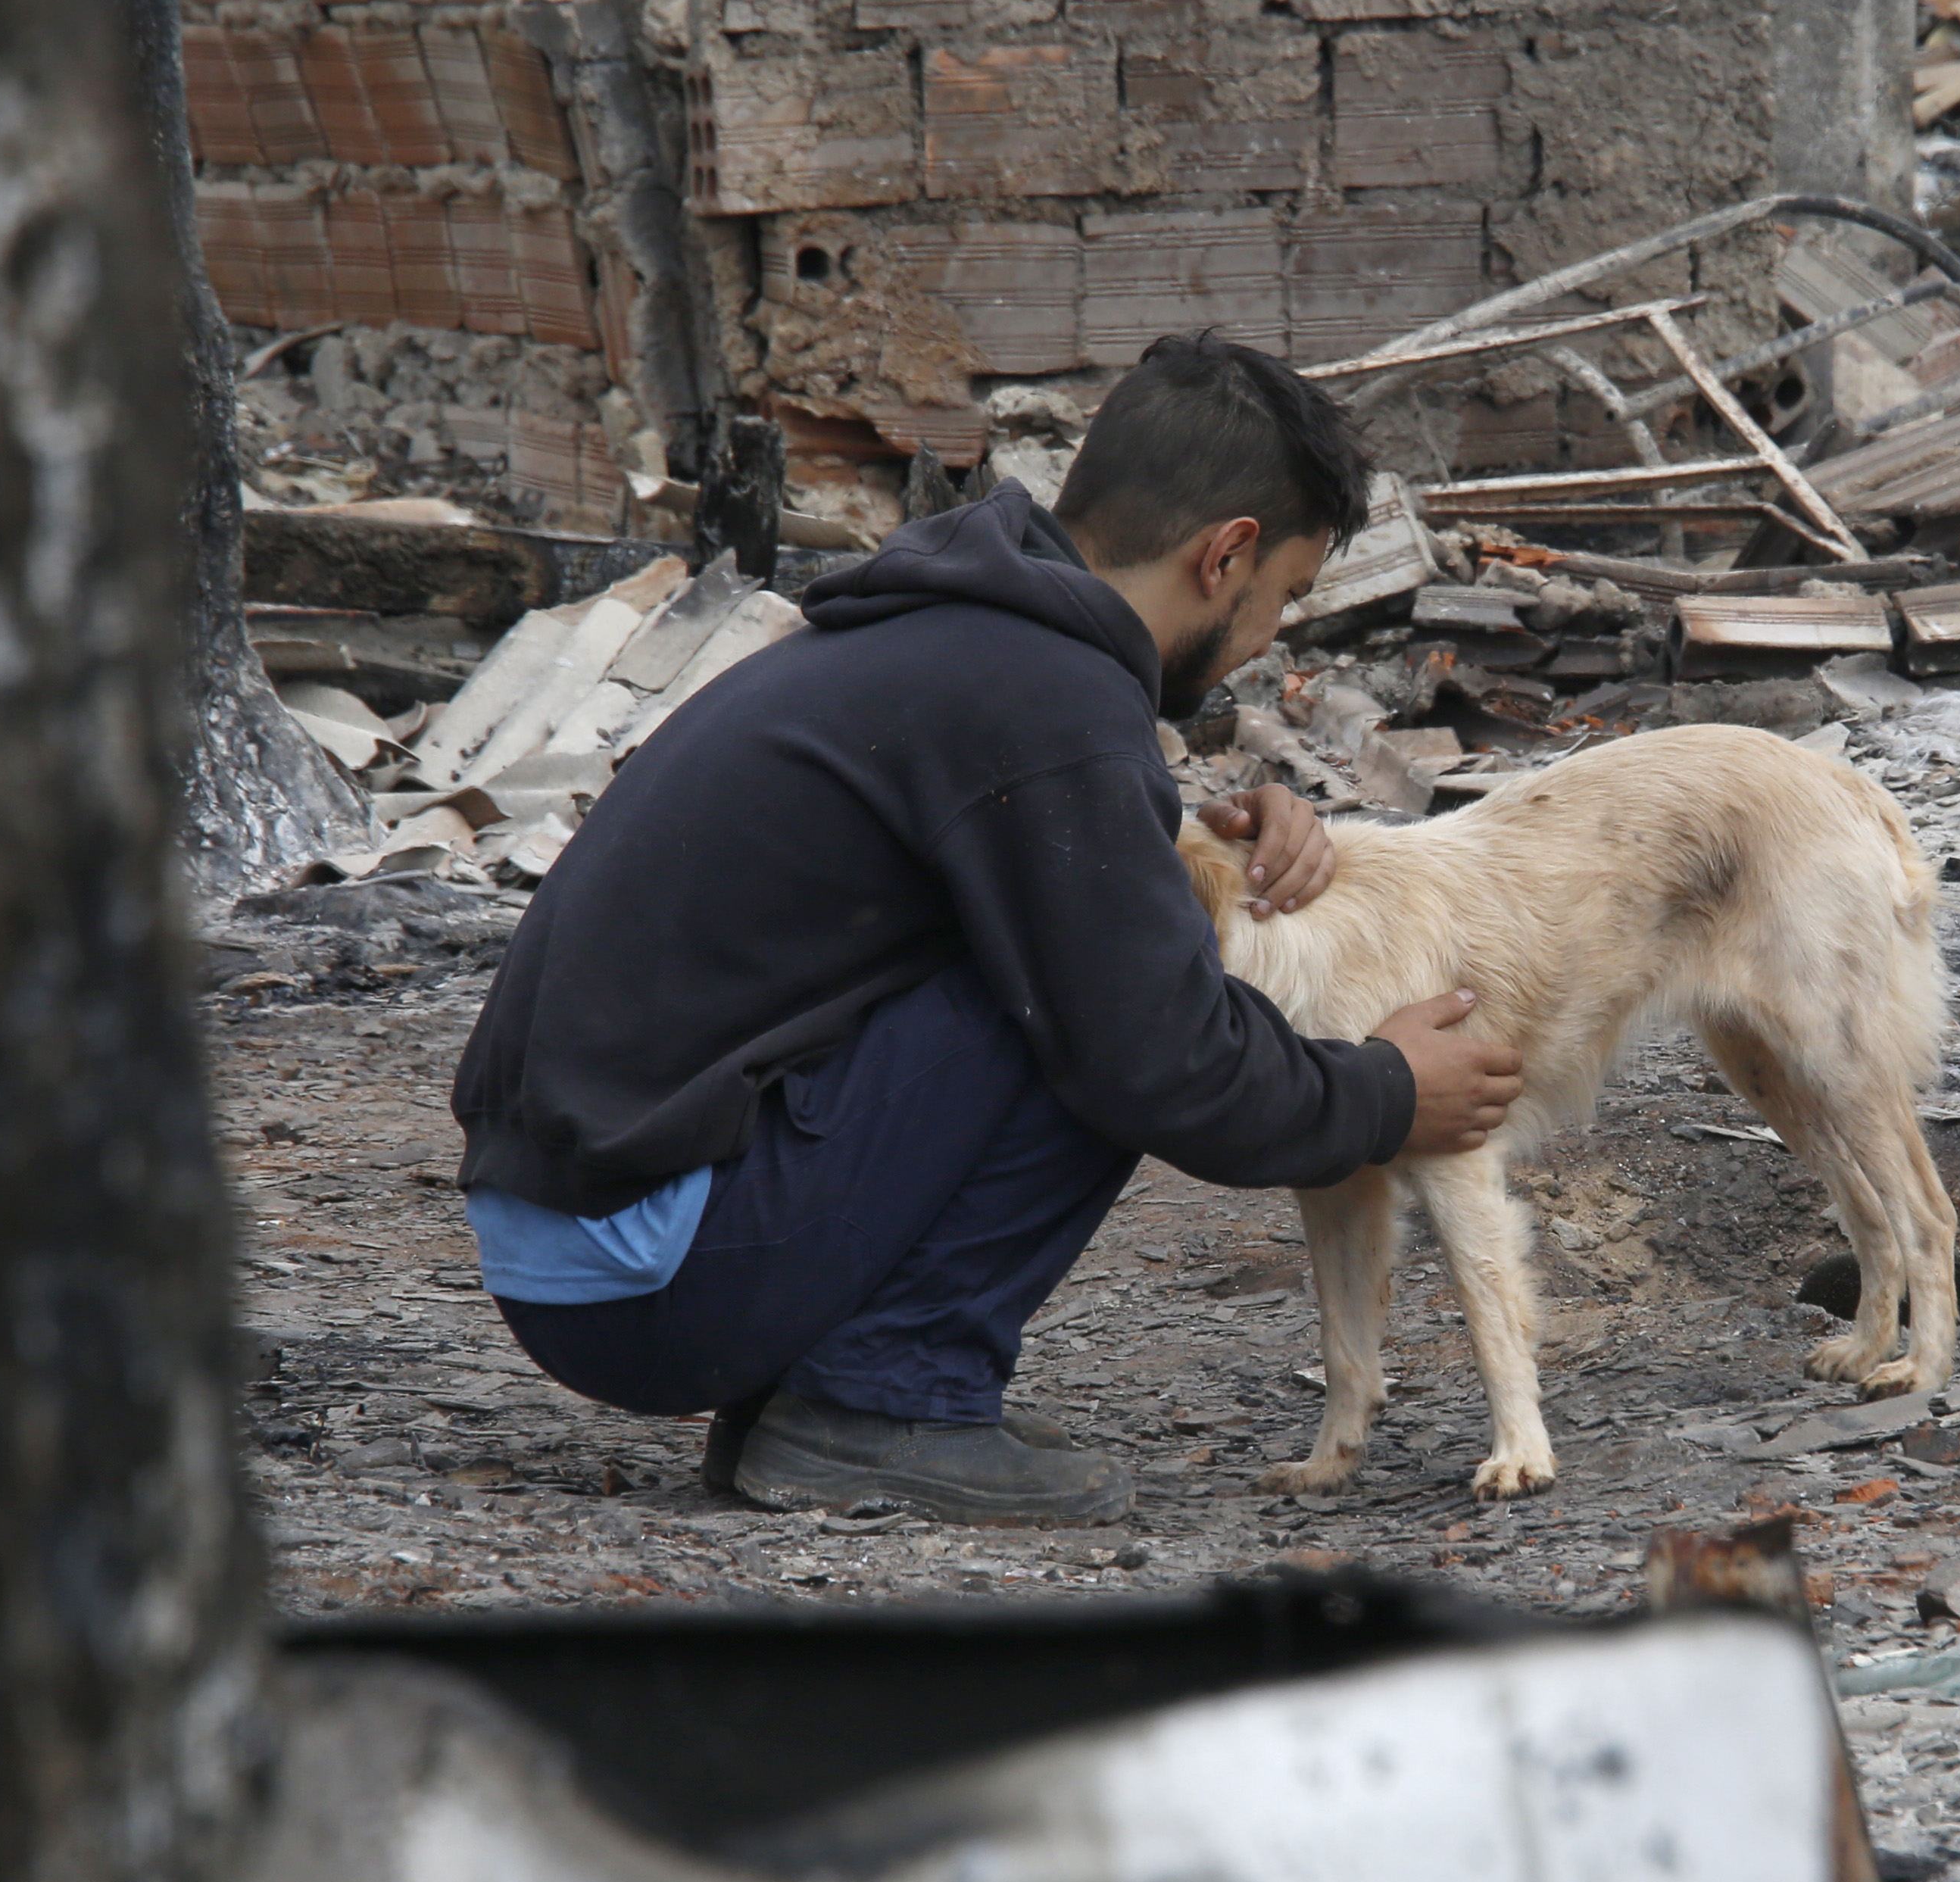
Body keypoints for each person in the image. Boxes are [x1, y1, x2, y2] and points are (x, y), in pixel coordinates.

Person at [449, 332, 1525, 1523]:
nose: (1272, 635)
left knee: (1097, 942)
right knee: (1109, 998)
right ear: (1225, 555)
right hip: (648, 1279)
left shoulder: (955, 639)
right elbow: (1165, 1061)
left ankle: (838, 1389)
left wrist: (1211, 833)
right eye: (1284, 596)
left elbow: (1033, 859)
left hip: (585, 1234)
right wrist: (1385, 1092)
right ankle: (884, 1398)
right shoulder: (1046, 699)